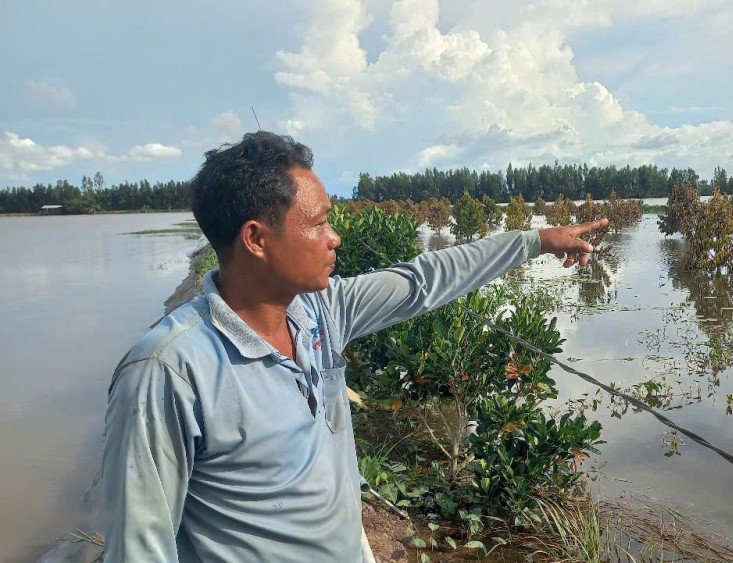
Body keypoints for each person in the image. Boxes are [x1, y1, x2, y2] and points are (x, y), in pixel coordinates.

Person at [101, 131, 608, 562]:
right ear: (256, 239)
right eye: (319, 222)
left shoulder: (319, 311)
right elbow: (140, 546)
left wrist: (536, 240)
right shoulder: (168, 371)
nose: (335, 237)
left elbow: (425, 278)